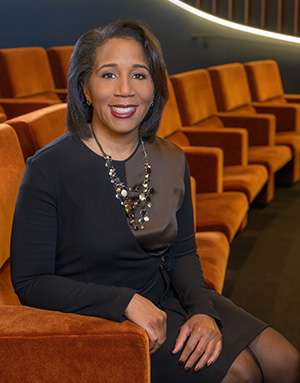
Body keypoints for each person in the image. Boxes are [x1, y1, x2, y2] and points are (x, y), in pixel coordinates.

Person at [11, 20, 299, 383]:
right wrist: (125, 302)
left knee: (286, 363)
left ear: (155, 87)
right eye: (109, 75)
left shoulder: (170, 158)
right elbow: (31, 282)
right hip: (100, 314)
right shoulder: (48, 168)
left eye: (140, 75)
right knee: (241, 374)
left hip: (165, 294)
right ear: (85, 88)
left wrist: (201, 311)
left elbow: (182, 253)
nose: (126, 91)